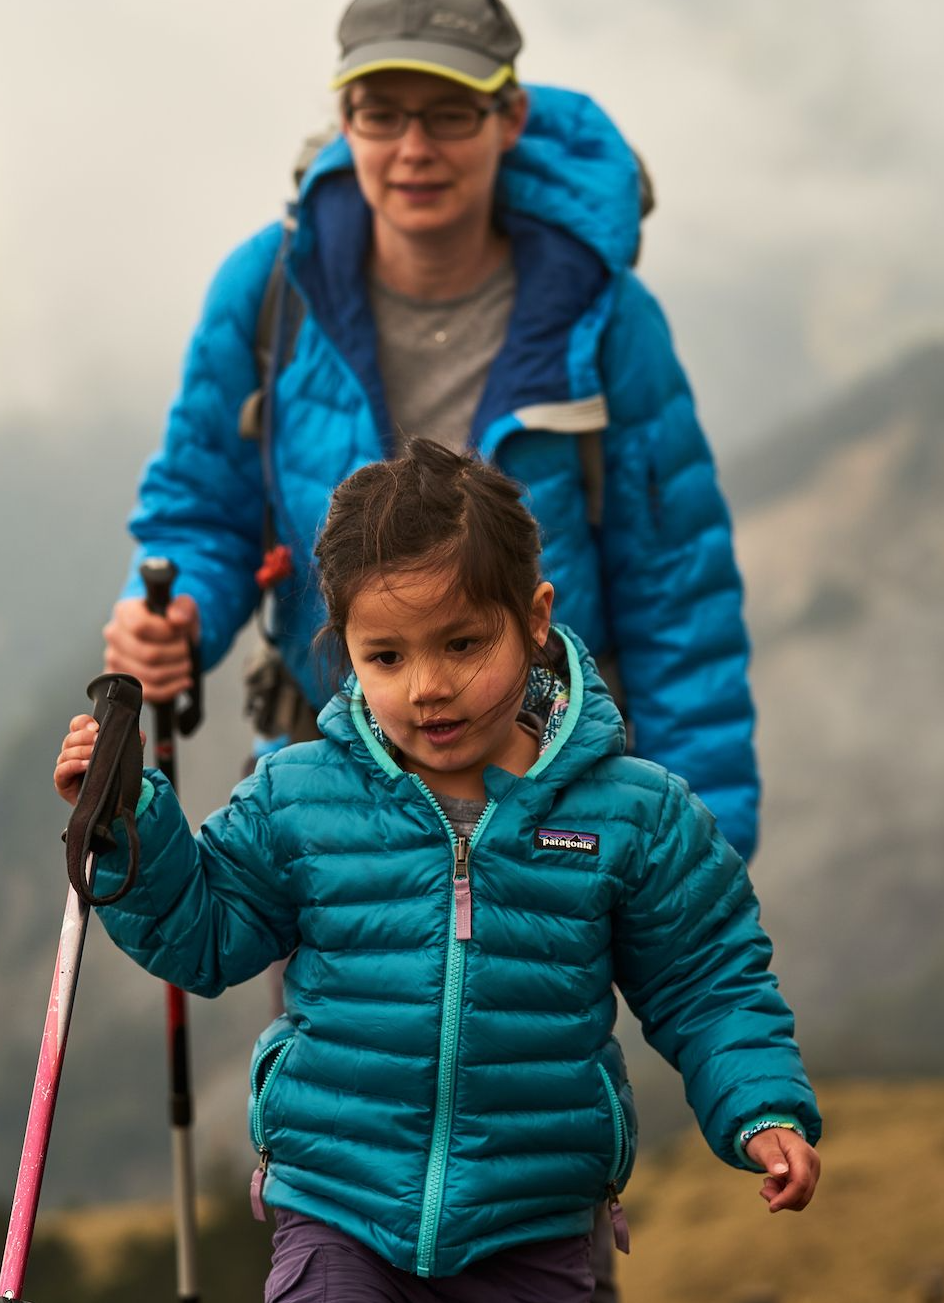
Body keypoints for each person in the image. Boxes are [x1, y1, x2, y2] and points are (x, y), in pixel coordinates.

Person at [64, 442, 820, 1303]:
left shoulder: (633, 813)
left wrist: (763, 1107)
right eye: (386, 656)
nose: (428, 687)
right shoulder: (296, 797)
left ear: (534, 618)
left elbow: (708, 982)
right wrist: (126, 823)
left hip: (532, 1232)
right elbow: (203, 932)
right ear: (344, 646)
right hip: (336, 1218)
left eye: (462, 642)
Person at [103, 0, 761, 872]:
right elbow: (202, 508)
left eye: (450, 111)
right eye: (382, 111)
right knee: (338, 1014)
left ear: (509, 118)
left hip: (553, 798)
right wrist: (175, 610)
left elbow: (677, 591)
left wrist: (702, 853)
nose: (415, 147)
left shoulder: (603, 322)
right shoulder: (269, 292)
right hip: (338, 788)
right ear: (346, 119)